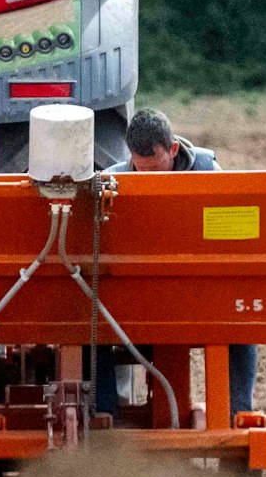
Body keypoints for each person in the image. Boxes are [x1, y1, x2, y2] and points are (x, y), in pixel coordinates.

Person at [99, 108, 255, 419]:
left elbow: (230, 241)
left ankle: (238, 414)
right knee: (89, 329)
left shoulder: (209, 172)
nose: (150, 179)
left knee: (242, 331)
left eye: (157, 170)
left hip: (197, 293)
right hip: (138, 298)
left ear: (172, 149)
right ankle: (104, 419)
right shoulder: (112, 181)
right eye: (142, 172)